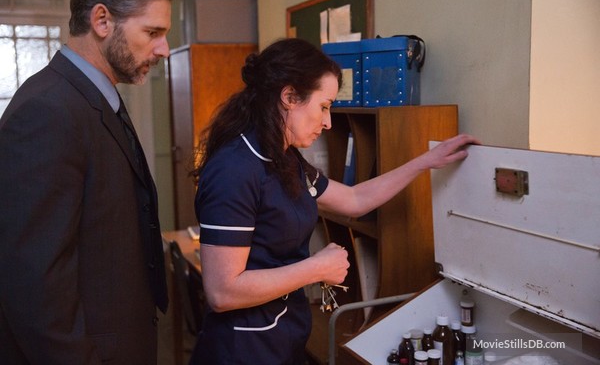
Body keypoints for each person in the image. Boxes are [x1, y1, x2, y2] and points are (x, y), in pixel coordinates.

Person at [189, 38, 480, 364]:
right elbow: (223, 291)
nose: (328, 122)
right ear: (289, 97)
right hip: (241, 351)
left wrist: (424, 162)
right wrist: (316, 268)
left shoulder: (286, 159)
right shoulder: (235, 169)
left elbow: (355, 199)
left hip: (282, 338)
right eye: (324, 106)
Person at [0, 0, 179, 364]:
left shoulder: (93, 97)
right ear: (101, 20)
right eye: (152, 32)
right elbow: (35, 285)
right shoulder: (47, 111)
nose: (164, 49)